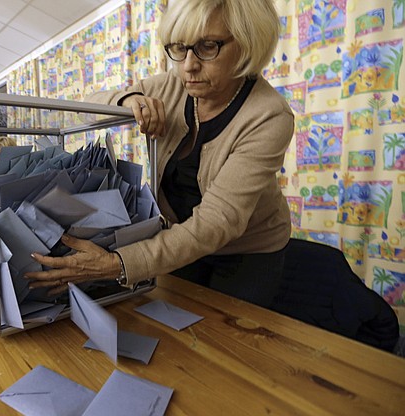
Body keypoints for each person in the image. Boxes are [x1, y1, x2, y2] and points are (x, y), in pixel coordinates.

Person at [25, 0, 294, 308]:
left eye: (208, 46)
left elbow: (217, 222)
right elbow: (91, 104)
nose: (189, 65)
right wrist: (129, 99)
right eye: (179, 48)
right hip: (180, 236)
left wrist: (117, 263)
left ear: (247, 43)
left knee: (229, 340)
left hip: (249, 251)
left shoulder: (269, 116)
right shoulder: (174, 85)